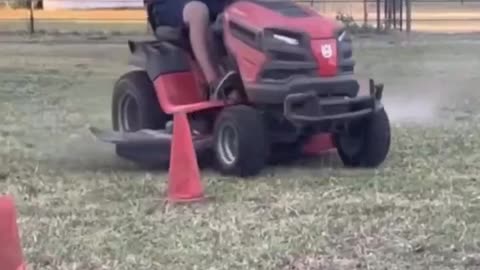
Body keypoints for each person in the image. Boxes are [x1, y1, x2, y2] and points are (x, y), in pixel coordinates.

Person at [145, 0, 235, 98]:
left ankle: (242, 79)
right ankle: (214, 83)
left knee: (241, 8)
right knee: (197, 11)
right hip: (168, 4)